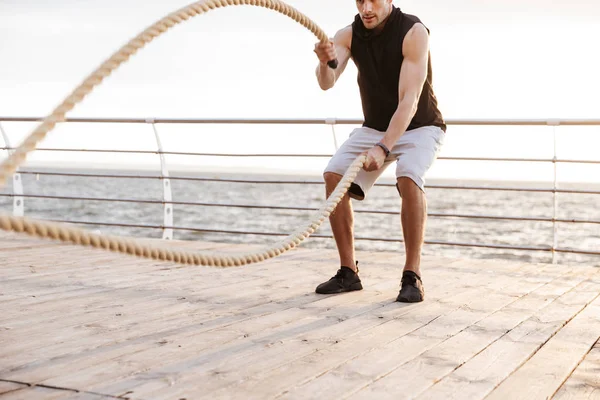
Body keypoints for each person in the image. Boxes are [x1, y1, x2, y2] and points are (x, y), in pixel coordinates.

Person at [313, 0, 446, 302]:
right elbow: (327, 82)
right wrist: (323, 62)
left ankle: (412, 275)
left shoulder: (413, 31)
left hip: (420, 125)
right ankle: (349, 273)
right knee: (333, 174)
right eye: (361, 0)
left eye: (374, 0)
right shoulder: (348, 34)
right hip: (374, 127)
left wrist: (383, 147)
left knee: (408, 175)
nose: (367, 8)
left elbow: (409, 100)